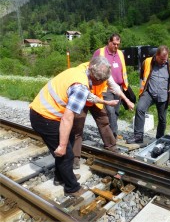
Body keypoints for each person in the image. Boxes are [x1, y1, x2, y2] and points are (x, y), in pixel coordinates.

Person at [30, 56, 115, 197]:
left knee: (69, 140)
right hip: (44, 118)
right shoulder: (80, 87)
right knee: (66, 154)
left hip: (45, 113)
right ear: (97, 79)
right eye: (101, 81)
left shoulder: (81, 71)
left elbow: (89, 95)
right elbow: (68, 118)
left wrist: (105, 102)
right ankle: (72, 188)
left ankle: (60, 177)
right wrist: (62, 146)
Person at [72, 65, 134, 169]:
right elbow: (89, 97)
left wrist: (127, 101)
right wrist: (107, 102)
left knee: (104, 121)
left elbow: (115, 87)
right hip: (82, 99)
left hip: (96, 100)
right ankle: (75, 158)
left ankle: (111, 147)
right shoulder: (81, 74)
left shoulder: (105, 72)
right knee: (77, 128)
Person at [126, 45, 170, 144]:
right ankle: (138, 136)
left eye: (165, 59)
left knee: (162, 119)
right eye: (162, 59)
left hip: (163, 95)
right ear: (156, 55)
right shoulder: (147, 61)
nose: (164, 61)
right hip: (149, 93)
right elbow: (142, 76)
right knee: (140, 108)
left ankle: (159, 138)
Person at [93, 33, 128, 138]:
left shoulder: (120, 53)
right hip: (106, 87)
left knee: (116, 112)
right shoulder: (100, 52)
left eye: (118, 44)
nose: (116, 46)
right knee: (110, 111)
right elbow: (92, 66)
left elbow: (122, 69)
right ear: (109, 42)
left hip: (118, 87)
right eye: (114, 44)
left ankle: (110, 131)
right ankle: (113, 135)